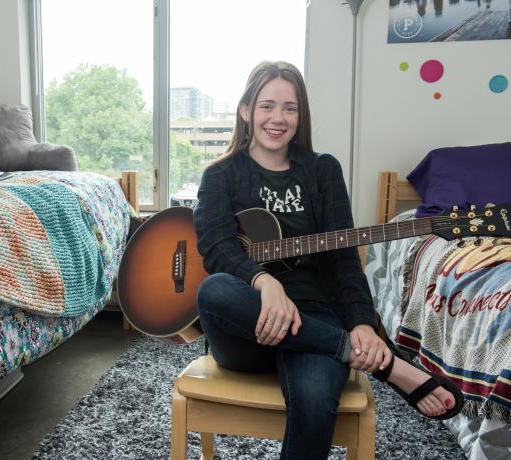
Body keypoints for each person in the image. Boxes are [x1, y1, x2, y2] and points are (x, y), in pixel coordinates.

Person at [193, 60, 463, 460]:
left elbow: (342, 260)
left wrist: (361, 323)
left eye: (290, 108)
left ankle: (347, 346)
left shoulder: (322, 170)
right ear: (246, 110)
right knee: (214, 288)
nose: (278, 118)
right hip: (248, 330)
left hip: (315, 319)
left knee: (318, 401)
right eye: (267, 106)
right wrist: (266, 284)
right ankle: (387, 366)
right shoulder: (220, 174)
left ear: (301, 117)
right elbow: (217, 247)